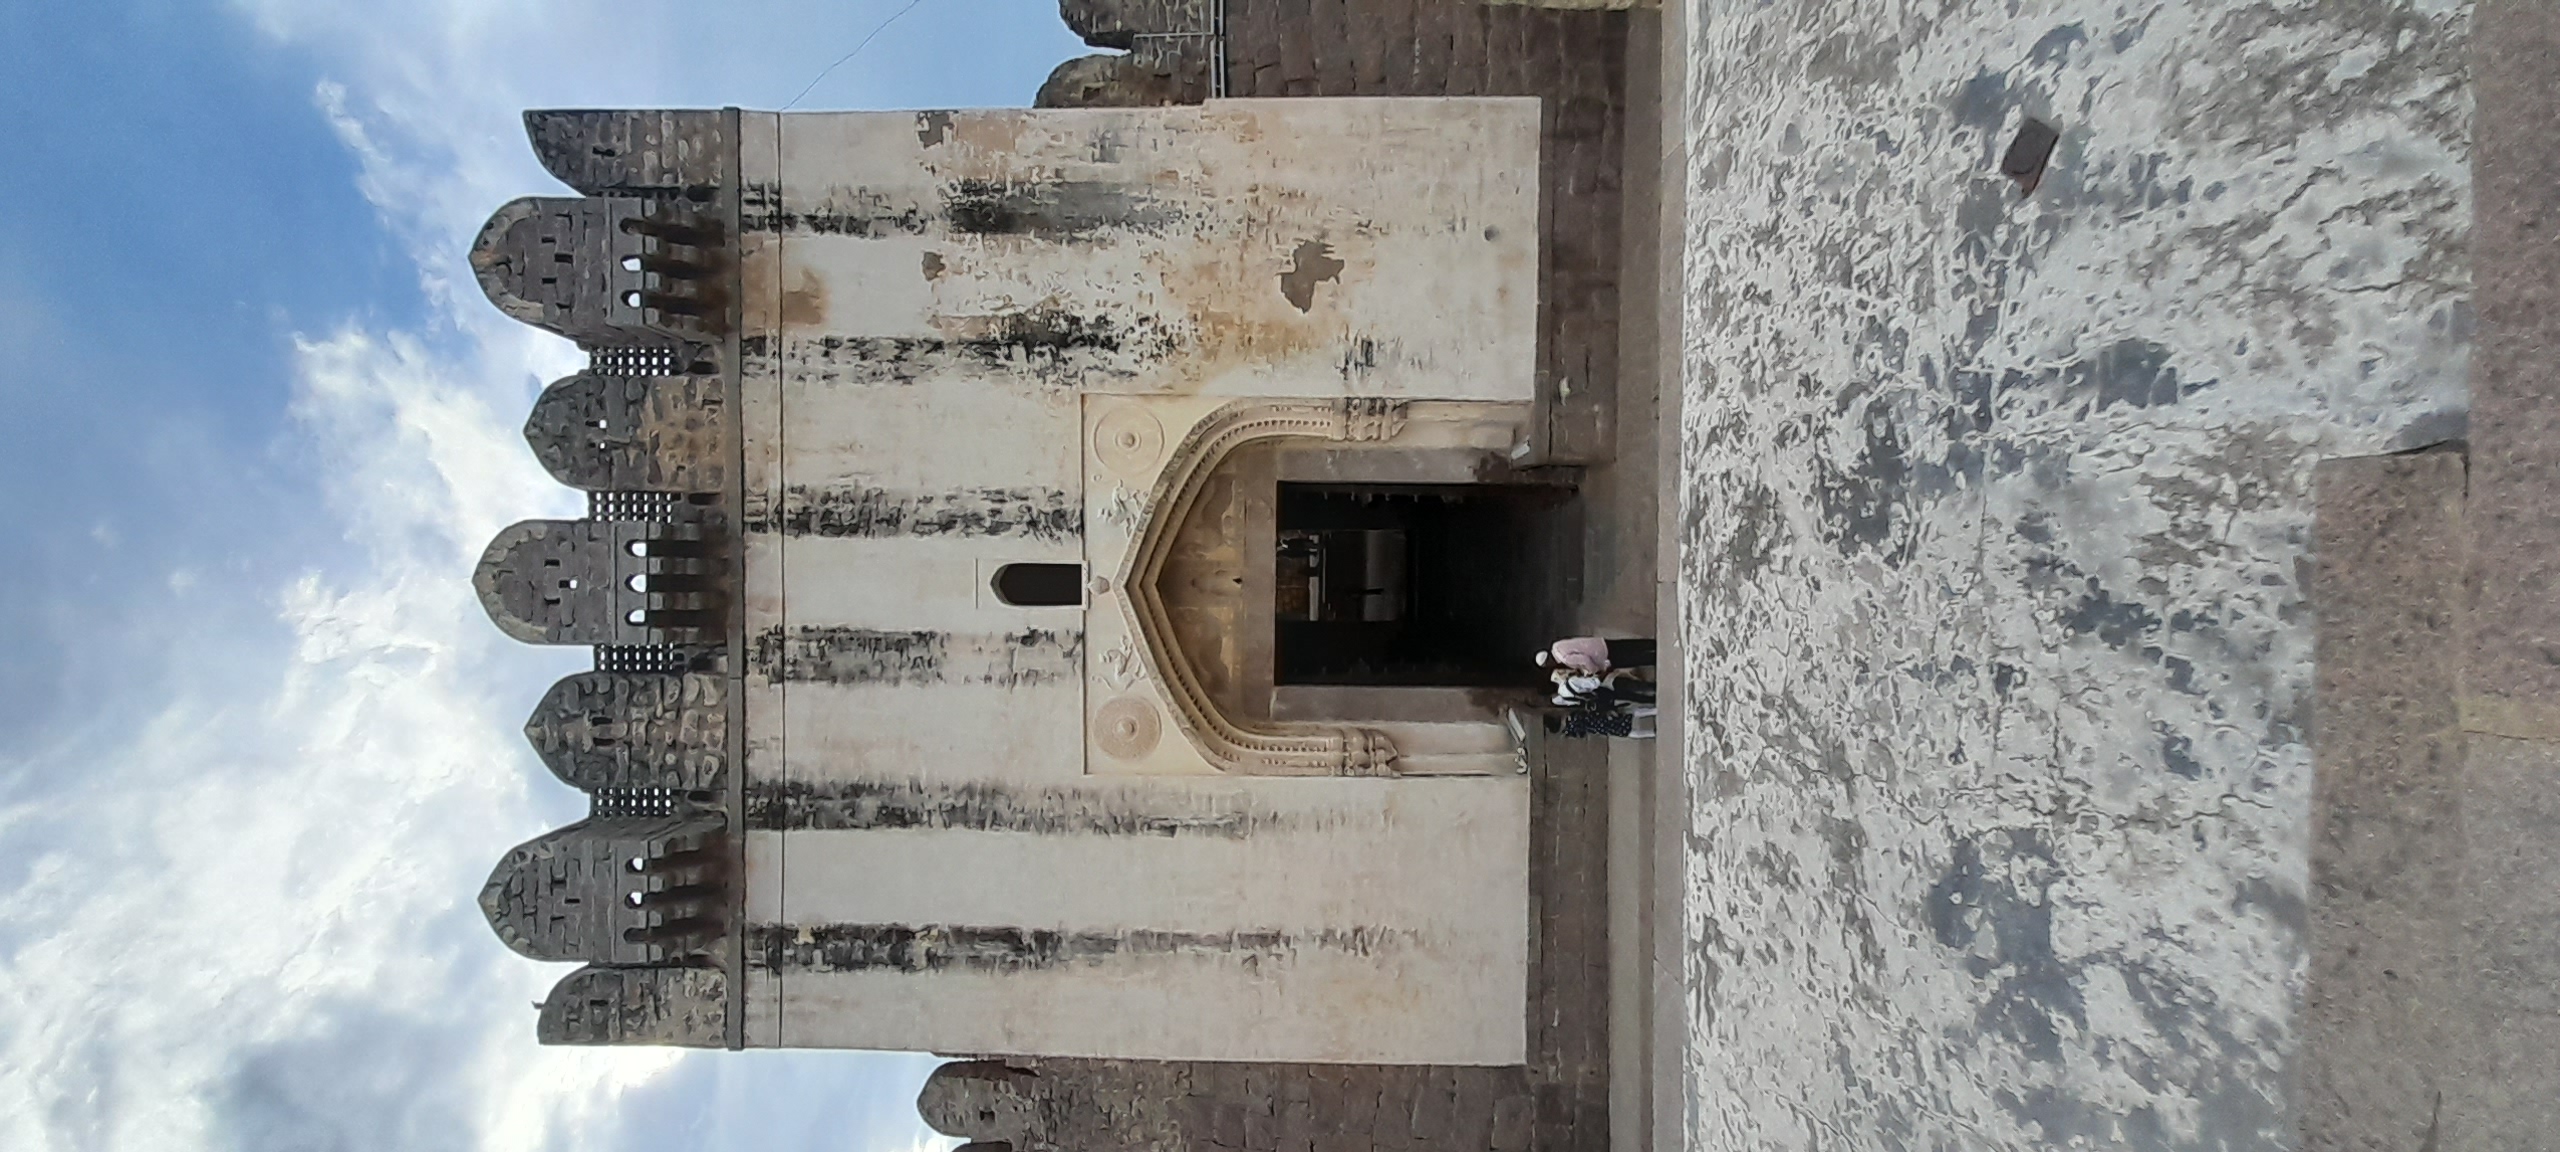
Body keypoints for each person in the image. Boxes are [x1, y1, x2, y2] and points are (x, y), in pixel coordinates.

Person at [1533, 635, 1656, 675]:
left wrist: (1594, 671)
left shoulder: (1565, 659)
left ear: (1548, 662)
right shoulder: (1556, 645)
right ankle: (1651, 644)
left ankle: (1652, 658)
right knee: (1626, 645)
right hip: (1598, 643)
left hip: (1601, 656)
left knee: (1628, 659)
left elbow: (1585, 660)